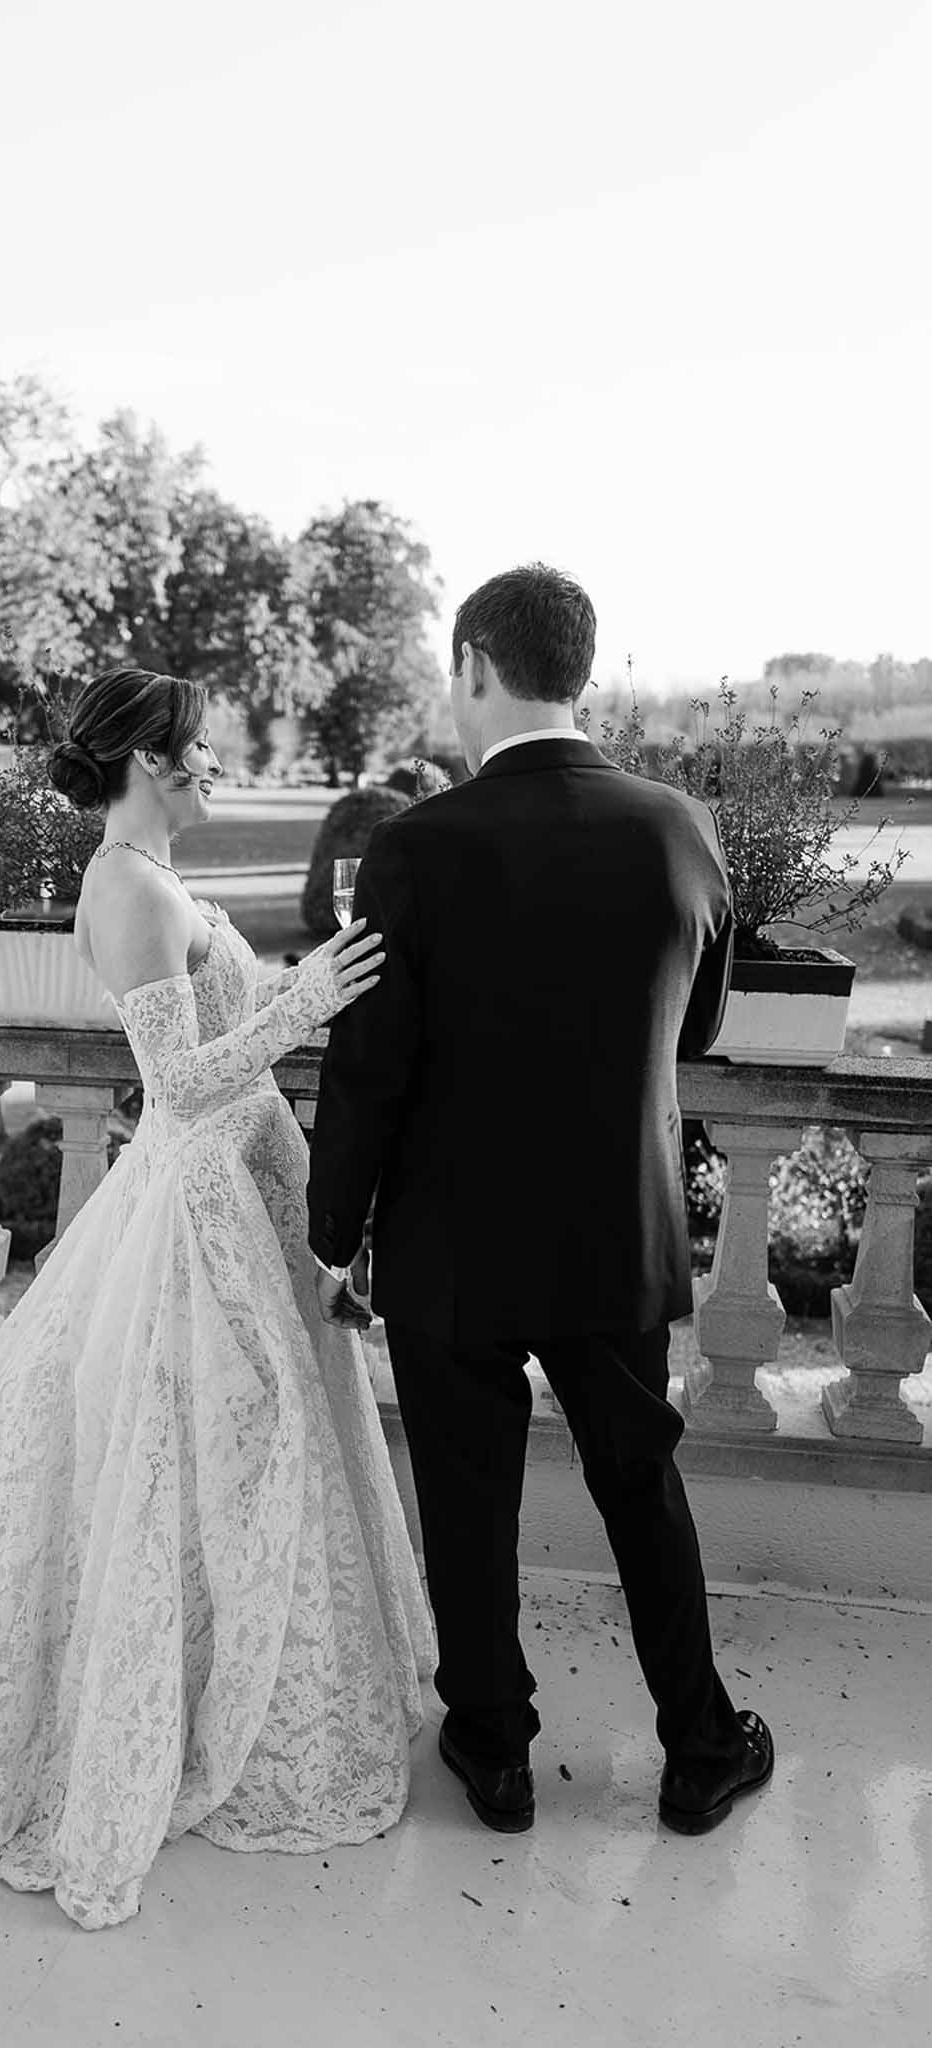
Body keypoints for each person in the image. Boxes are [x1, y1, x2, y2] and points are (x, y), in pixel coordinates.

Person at [0, 665, 434, 1931]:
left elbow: (221, 1081)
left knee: (240, 1454)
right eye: (200, 748)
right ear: (150, 759)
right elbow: (179, 1080)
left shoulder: (149, 879)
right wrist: (305, 1002)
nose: (215, 765)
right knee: (203, 1456)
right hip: (191, 1212)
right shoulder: (127, 886)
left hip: (235, 1189)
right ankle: (183, 1696)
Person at [306, 564, 773, 1839]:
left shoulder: (414, 847)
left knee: (465, 1496)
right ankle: (699, 1745)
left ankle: (495, 1752)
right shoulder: (678, 826)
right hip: (615, 1232)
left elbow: (368, 1067)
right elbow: (705, 1019)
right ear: (580, 669)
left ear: (473, 665)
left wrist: (331, 1231)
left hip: (449, 1243)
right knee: (641, 1482)